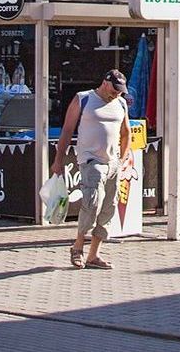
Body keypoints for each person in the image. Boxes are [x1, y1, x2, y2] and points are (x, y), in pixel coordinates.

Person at [49, 69, 131, 270]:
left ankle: (94, 254)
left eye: (120, 91)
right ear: (105, 83)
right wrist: (58, 160)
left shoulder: (120, 103)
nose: (117, 94)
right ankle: (78, 246)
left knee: (109, 207)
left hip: (113, 162)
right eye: (114, 89)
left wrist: (123, 158)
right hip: (91, 160)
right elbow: (67, 131)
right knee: (92, 202)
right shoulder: (83, 99)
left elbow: (126, 132)